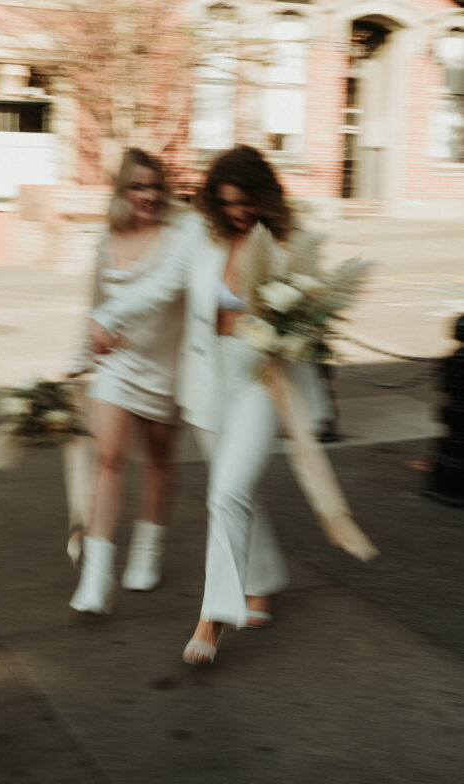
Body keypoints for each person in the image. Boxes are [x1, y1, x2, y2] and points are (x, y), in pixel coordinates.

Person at [90, 145, 376, 663]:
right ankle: (263, 578)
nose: (237, 213)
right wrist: (110, 316)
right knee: (236, 488)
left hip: (262, 380)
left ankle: (213, 617)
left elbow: (311, 319)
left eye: (246, 202)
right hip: (208, 377)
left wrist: (298, 328)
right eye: (226, 203)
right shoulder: (199, 235)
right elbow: (159, 286)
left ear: (265, 195)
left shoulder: (294, 242)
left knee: (225, 492)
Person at [67, 148, 185, 615]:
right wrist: (80, 357)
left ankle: (147, 553)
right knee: (109, 460)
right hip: (115, 364)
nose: (148, 195)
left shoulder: (179, 237)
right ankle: (96, 580)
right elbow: (94, 303)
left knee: (158, 459)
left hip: (165, 366)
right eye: (138, 186)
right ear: (122, 191)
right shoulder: (105, 238)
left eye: (156, 187)